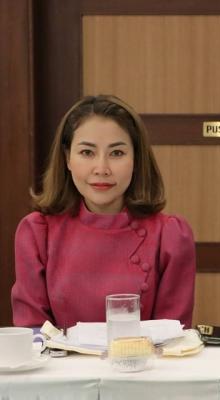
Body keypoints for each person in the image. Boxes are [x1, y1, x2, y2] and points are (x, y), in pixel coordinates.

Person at [12, 95, 196, 329]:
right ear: (67, 158)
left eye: (116, 153)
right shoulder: (37, 232)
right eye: (87, 153)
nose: (102, 169)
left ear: (136, 159)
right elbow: (33, 334)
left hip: (143, 355)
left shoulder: (170, 236)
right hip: (56, 356)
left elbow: (171, 337)